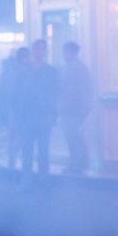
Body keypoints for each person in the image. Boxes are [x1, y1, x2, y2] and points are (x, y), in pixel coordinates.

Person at [18, 39, 59, 189]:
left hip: (43, 116)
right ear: (33, 51)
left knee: (43, 152)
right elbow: (17, 94)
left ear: (45, 52)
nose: (40, 52)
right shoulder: (23, 71)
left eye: (43, 49)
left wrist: (53, 115)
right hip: (27, 117)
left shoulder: (51, 71)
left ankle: (44, 182)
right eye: (38, 49)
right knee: (27, 152)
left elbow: (55, 94)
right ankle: (26, 182)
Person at [59, 41, 93, 175]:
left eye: (66, 52)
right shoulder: (76, 67)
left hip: (73, 109)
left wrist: (83, 107)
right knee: (75, 136)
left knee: (72, 137)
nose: (64, 55)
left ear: (72, 52)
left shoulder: (75, 68)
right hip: (74, 108)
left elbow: (80, 90)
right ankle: (80, 163)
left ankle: (76, 165)